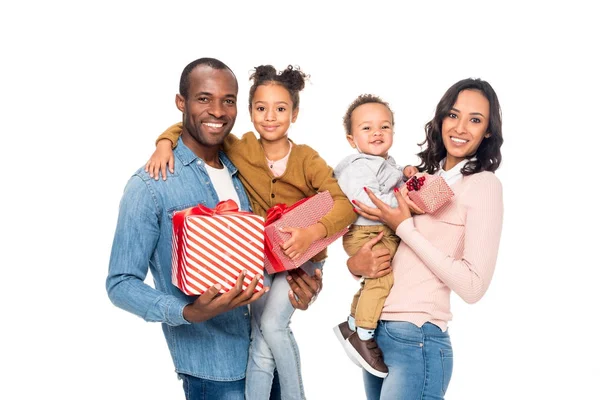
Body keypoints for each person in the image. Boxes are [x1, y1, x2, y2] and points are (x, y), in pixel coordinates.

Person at [106, 58, 324, 400]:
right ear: (182, 103)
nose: (218, 111)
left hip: (267, 354)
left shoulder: (246, 167)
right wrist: (188, 312)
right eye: (204, 98)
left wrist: (302, 286)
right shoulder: (150, 185)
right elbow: (120, 283)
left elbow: (264, 253)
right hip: (214, 371)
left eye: (228, 100)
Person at [348, 78, 504, 399]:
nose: (460, 128)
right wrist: (355, 263)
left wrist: (405, 227)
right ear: (441, 118)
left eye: (475, 120)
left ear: (488, 131)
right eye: (453, 115)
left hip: (417, 337)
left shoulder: (483, 185)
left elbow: (473, 287)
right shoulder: (425, 181)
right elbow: (384, 243)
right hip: (377, 334)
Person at [331, 94, 417, 378]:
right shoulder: (356, 165)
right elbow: (366, 201)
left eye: (384, 126)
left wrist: (405, 173)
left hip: (378, 229)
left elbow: (391, 180)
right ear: (351, 138)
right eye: (366, 128)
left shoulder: (385, 162)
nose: (377, 132)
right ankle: (364, 336)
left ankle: (352, 324)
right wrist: (404, 201)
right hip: (366, 231)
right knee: (381, 279)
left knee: (373, 282)